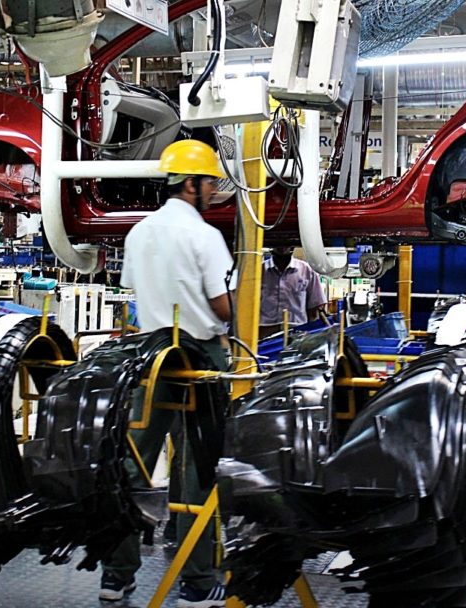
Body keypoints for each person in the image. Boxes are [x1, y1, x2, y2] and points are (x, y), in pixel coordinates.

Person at [100, 139, 234, 608]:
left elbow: (135, 294)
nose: (214, 191)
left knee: (133, 462)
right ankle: (197, 580)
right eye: (211, 183)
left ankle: (116, 576)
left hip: (151, 355)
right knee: (199, 466)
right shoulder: (205, 237)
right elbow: (220, 304)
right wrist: (226, 315)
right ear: (193, 184)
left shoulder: (139, 233)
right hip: (199, 359)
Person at [258, 245, 329, 339]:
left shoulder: (307, 270)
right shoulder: (259, 270)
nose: (282, 247)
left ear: (292, 246)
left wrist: (310, 335)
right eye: (278, 243)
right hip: (264, 336)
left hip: (297, 336)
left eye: (285, 243)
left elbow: (314, 310)